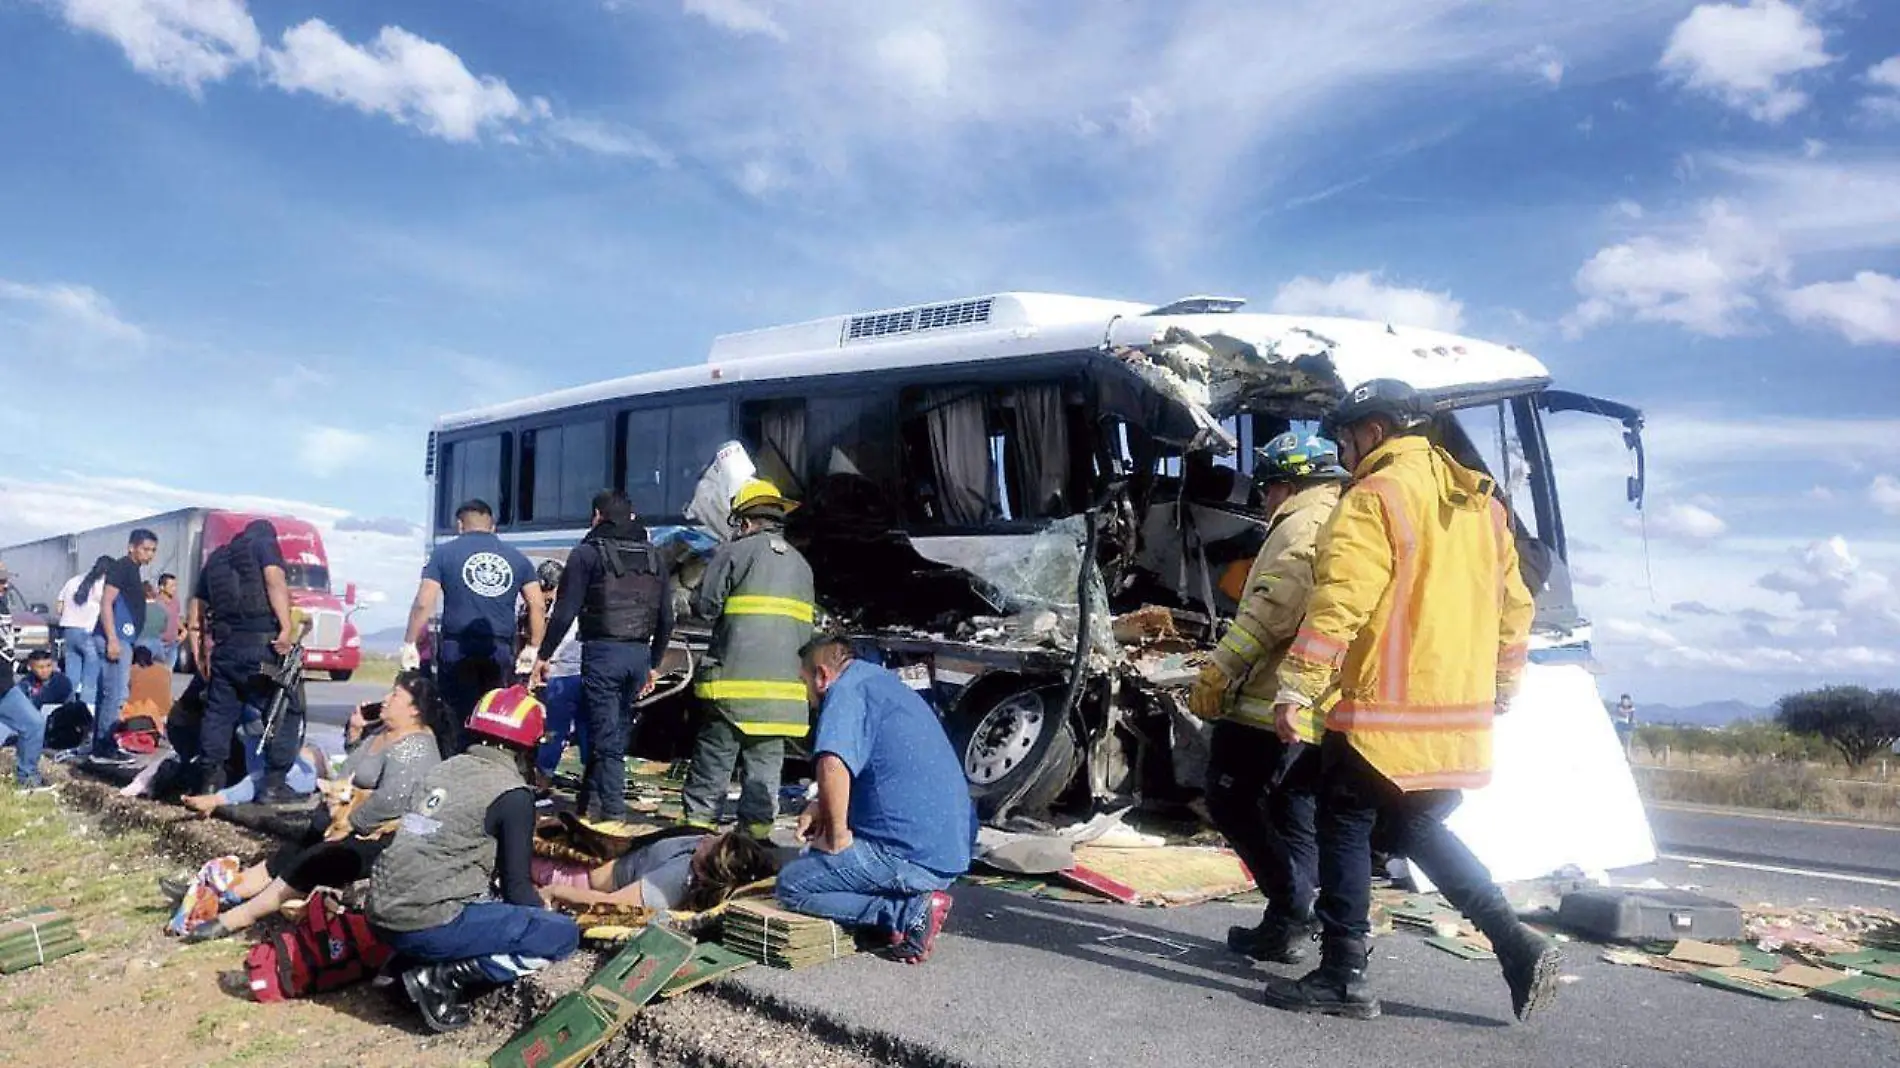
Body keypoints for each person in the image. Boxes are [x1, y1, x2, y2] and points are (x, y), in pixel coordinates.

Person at [1261, 379, 1555, 1023]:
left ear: (1375, 430)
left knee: (1340, 817)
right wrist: (1503, 686)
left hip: (1379, 712)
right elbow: (1516, 608)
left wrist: (1298, 685)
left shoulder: (1375, 495)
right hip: (1453, 714)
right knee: (1414, 825)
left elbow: (1341, 599)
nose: (1343, 450)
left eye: (1345, 436)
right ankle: (1514, 941)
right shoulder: (1485, 506)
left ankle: (1343, 973)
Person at [1187, 431, 1347, 964]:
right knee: (1293, 807)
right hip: (1317, 700)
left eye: (1266, 488)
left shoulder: (1302, 524)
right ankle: (1285, 927)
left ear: (1284, 484)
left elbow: (1271, 608)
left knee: (1230, 798)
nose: (1263, 500)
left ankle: (1292, 903)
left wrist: (1220, 668)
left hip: (1269, 697)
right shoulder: (1344, 516)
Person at [368, 686, 581, 1033]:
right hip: (426, 922)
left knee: (475, 896)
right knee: (560, 935)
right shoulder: (511, 794)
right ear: (528, 745)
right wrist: (544, 913)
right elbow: (516, 886)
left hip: (381, 911)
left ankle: (402, 965)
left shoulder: (445, 769)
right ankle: (438, 977)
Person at [177, 671, 443, 941]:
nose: (386, 699)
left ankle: (237, 916)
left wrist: (343, 826)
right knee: (295, 847)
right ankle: (224, 892)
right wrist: (355, 732)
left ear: (414, 710)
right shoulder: (382, 732)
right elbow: (349, 774)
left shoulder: (417, 747)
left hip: (379, 835)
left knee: (313, 858)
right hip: (347, 820)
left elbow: (390, 802)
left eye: (395, 695)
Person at [775, 637, 974, 964]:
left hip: (912, 859)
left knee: (793, 885)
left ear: (822, 676)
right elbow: (875, 770)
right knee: (829, 860)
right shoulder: (879, 683)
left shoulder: (845, 693)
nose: (807, 695)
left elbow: (833, 762)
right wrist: (820, 807)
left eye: (804, 682)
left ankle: (903, 912)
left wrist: (837, 837)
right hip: (947, 851)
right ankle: (907, 898)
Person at [682, 479, 814, 837]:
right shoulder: (802, 566)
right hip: (783, 700)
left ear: (744, 522)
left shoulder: (733, 552)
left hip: (732, 692)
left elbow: (706, 608)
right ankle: (755, 844)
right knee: (764, 774)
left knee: (713, 765)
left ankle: (694, 838)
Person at [531, 491, 671, 822]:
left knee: (606, 740)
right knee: (612, 731)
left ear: (597, 516)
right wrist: (653, 662)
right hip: (638, 654)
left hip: (603, 653)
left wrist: (544, 655)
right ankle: (588, 802)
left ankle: (612, 816)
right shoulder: (654, 556)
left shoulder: (586, 553)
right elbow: (667, 617)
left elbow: (565, 611)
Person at [405, 499, 545, 753]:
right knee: (492, 716)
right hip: (499, 649)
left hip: (457, 648)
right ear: (493, 527)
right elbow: (537, 606)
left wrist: (410, 642)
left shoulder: (444, 554)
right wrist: (534, 647)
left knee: (456, 717)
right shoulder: (517, 558)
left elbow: (423, 602)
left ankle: (456, 769)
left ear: (460, 525)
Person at [187, 520, 295, 798]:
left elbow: (196, 610)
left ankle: (210, 781)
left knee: (219, 714)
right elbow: (274, 580)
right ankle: (273, 785)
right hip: (262, 644)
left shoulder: (216, 559)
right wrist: (285, 627)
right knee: (285, 707)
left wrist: (199, 654)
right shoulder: (264, 545)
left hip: (225, 648)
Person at [538, 828, 779, 913]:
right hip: (593, 858)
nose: (706, 837)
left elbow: (611, 903)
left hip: (575, 878)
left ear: (707, 868)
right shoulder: (697, 852)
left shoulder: (671, 882)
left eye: (711, 843)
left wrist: (556, 891)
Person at [93, 528, 158, 759]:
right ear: (132, 547)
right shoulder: (122, 567)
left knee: (109, 693)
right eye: (145, 549)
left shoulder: (133, 571)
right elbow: (106, 603)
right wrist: (112, 639)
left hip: (124, 638)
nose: (149, 555)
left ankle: (101, 744)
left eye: (153, 550)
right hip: (115, 638)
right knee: (114, 694)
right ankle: (104, 747)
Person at [528, 560, 586, 787]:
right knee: (585, 728)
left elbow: (554, 643)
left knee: (554, 730)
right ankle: (590, 779)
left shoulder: (559, 606)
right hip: (589, 673)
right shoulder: (585, 599)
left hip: (563, 675)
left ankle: (543, 777)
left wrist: (540, 663)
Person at [0, 564, 50, 791]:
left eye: (6, 580)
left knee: (33, 724)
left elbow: (5, 649)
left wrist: (22, 667)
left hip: (5, 687)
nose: (5, 585)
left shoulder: (3, 606)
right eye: (0, 581)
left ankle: (27, 780)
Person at [55, 557, 111, 704]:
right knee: (90, 681)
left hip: (69, 631)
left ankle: (67, 710)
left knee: (71, 679)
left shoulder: (72, 581)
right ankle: (87, 714)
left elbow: (59, 608)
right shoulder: (103, 584)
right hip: (89, 632)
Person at [155, 573, 182, 669]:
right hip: (159, 645)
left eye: (175, 586)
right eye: (171, 586)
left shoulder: (176, 601)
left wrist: (183, 631)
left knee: (168, 674)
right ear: (162, 587)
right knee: (157, 674)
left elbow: (176, 617)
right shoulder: (155, 602)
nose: (174, 589)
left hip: (172, 645)